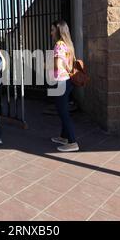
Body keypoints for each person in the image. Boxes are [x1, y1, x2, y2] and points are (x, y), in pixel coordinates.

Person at [50, 20, 79, 152]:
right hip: (68, 81)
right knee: (63, 110)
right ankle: (64, 137)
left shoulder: (59, 44)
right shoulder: (68, 44)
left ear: (58, 30)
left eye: (52, 30)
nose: (51, 33)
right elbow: (69, 65)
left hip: (61, 82)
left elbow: (57, 65)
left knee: (63, 113)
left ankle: (73, 142)